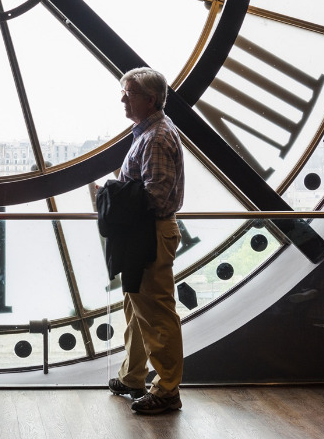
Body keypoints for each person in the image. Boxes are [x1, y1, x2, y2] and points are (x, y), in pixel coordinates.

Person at [107, 68, 185, 415]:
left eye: (129, 93)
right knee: (145, 310)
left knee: (151, 313)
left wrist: (111, 192)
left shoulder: (152, 138)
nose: (123, 99)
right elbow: (155, 193)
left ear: (149, 100)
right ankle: (138, 379)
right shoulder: (155, 134)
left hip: (147, 235)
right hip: (150, 233)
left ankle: (163, 388)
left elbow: (152, 196)